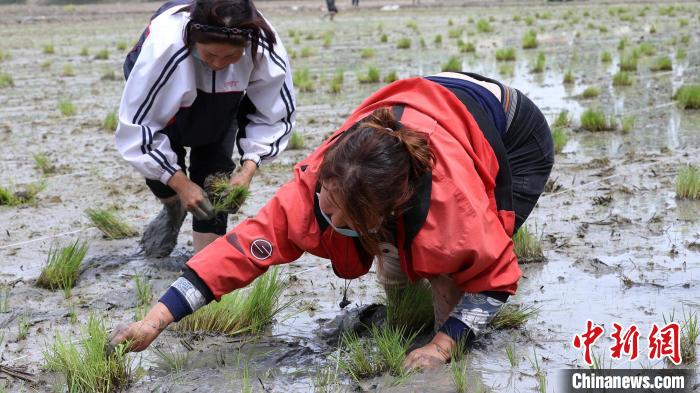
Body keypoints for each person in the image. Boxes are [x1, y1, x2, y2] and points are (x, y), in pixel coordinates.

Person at [109, 72, 554, 370]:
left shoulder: (451, 209)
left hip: (512, 127)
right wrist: (154, 320)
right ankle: (408, 315)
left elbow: (493, 277)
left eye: (350, 215)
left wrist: (441, 346)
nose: (330, 216)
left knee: (449, 265)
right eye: (329, 200)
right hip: (429, 106)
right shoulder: (319, 184)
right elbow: (237, 253)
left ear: (392, 206)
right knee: (400, 259)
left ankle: (443, 337)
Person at [115, 0, 296, 257]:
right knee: (162, 176)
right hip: (165, 96)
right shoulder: (164, 48)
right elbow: (139, 132)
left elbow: (273, 114)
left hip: (224, 99)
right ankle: (172, 209)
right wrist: (181, 184)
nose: (219, 64)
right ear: (192, 38)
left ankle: (202, 269)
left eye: (231, 57)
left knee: (215, 179)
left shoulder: (264, 46)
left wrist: (247, 169)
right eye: (210, 55)